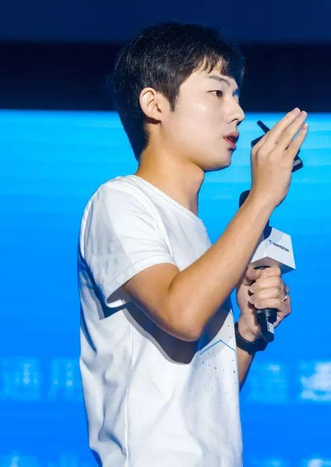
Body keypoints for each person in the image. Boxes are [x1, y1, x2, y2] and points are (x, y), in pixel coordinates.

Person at [76, 21, 309, 466]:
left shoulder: (200, 237)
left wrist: (247, 336)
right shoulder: (119, 200)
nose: (237, 112)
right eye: (217, 92)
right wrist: (261, 198)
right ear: (155, 104)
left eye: (236, 95)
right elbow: (182, 315)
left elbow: (205, 395)